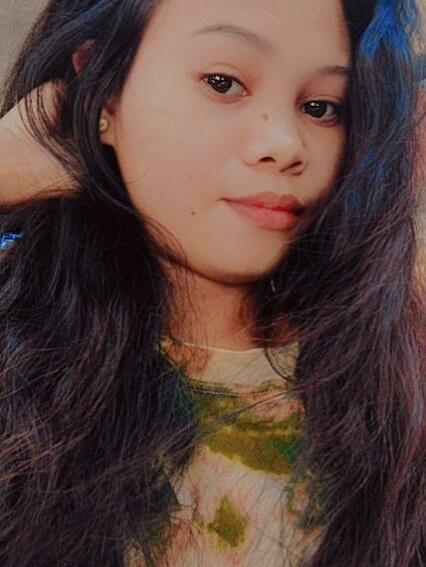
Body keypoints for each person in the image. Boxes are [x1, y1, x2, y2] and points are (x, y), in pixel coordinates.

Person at [0, 0, 424, 566]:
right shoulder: (18, 359)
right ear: (106, 93)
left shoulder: (395, 384)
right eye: (223, 83)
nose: (286, 145)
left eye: (321, 108)